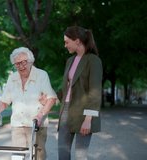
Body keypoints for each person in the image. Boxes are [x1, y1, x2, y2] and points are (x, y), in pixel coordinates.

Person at [0, 47, 58, 160]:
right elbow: (4, 101)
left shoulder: (41, 75)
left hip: (37, 124)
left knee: (38, 157)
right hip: (18, 124)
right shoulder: (12, 78)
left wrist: (40, 116)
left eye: (23, 62)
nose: (21, 66)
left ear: (30, 61)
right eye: (17, 64)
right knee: (17, 157)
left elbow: (51, 99)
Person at [58, 26, 103, 160]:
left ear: (77, 41)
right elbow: (66, 88)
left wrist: (88, 119)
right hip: (65, 111)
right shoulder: (69, 61)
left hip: (84, 113)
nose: (65, 45)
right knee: (62, 154)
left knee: (80, 156)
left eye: (67, 42)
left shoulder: (93, 60)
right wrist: (52, 97)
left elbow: (94, 91)